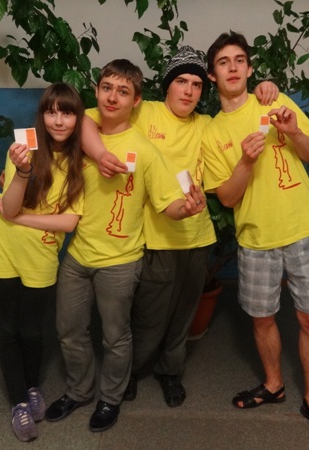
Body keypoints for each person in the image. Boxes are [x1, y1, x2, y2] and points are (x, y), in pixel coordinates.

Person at [82, 46, 279, 408]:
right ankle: (131, 372)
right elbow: (86, 119)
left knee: (183, 316)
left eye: (196, 84)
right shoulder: (144, 111)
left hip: (197, 236)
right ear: (167, 86)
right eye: (180, 82)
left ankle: (170, 373)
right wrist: (99, 155)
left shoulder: (206, 125)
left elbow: (247, 121)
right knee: (148, 316)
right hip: (155, 237)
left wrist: (267, 89)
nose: (188, 91)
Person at [201, 32, 309, 449]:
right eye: (223, 62)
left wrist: (294, 132)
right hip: (256, 237)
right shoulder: (211, 133)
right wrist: (247, 161)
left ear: (249, 69)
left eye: (239, 60)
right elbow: (227, 198)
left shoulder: (274, 101)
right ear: (212, 76)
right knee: (262, 318)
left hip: (304, 228)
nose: (233, 67)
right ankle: (273, 384)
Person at [44, 59, 206, 433]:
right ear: (97, 92)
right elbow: (67, 131)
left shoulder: (145, 150)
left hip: (120, 261)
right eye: (106, 88)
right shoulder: (83, 128)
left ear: (136, 101)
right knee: (69, 330)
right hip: (78, 255)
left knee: (115, 337)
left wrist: (186, 209)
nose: (112, 97)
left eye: (123, 91)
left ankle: (110, 399)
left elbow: (169, 204)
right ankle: (78, 390)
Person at [0, 82, 85, 442]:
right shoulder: (23, 150)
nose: (58, 120)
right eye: (51, 112)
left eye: (66, 113)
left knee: (33, 331)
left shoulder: (79, 162)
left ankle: (33, 386)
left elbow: (68, 222)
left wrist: (20, 217)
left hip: (41, 257)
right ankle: (19, 401)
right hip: (2, 251)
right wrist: (21, 173)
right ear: (42, 115)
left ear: (77, 119)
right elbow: (8, 207)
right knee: (8, 330)